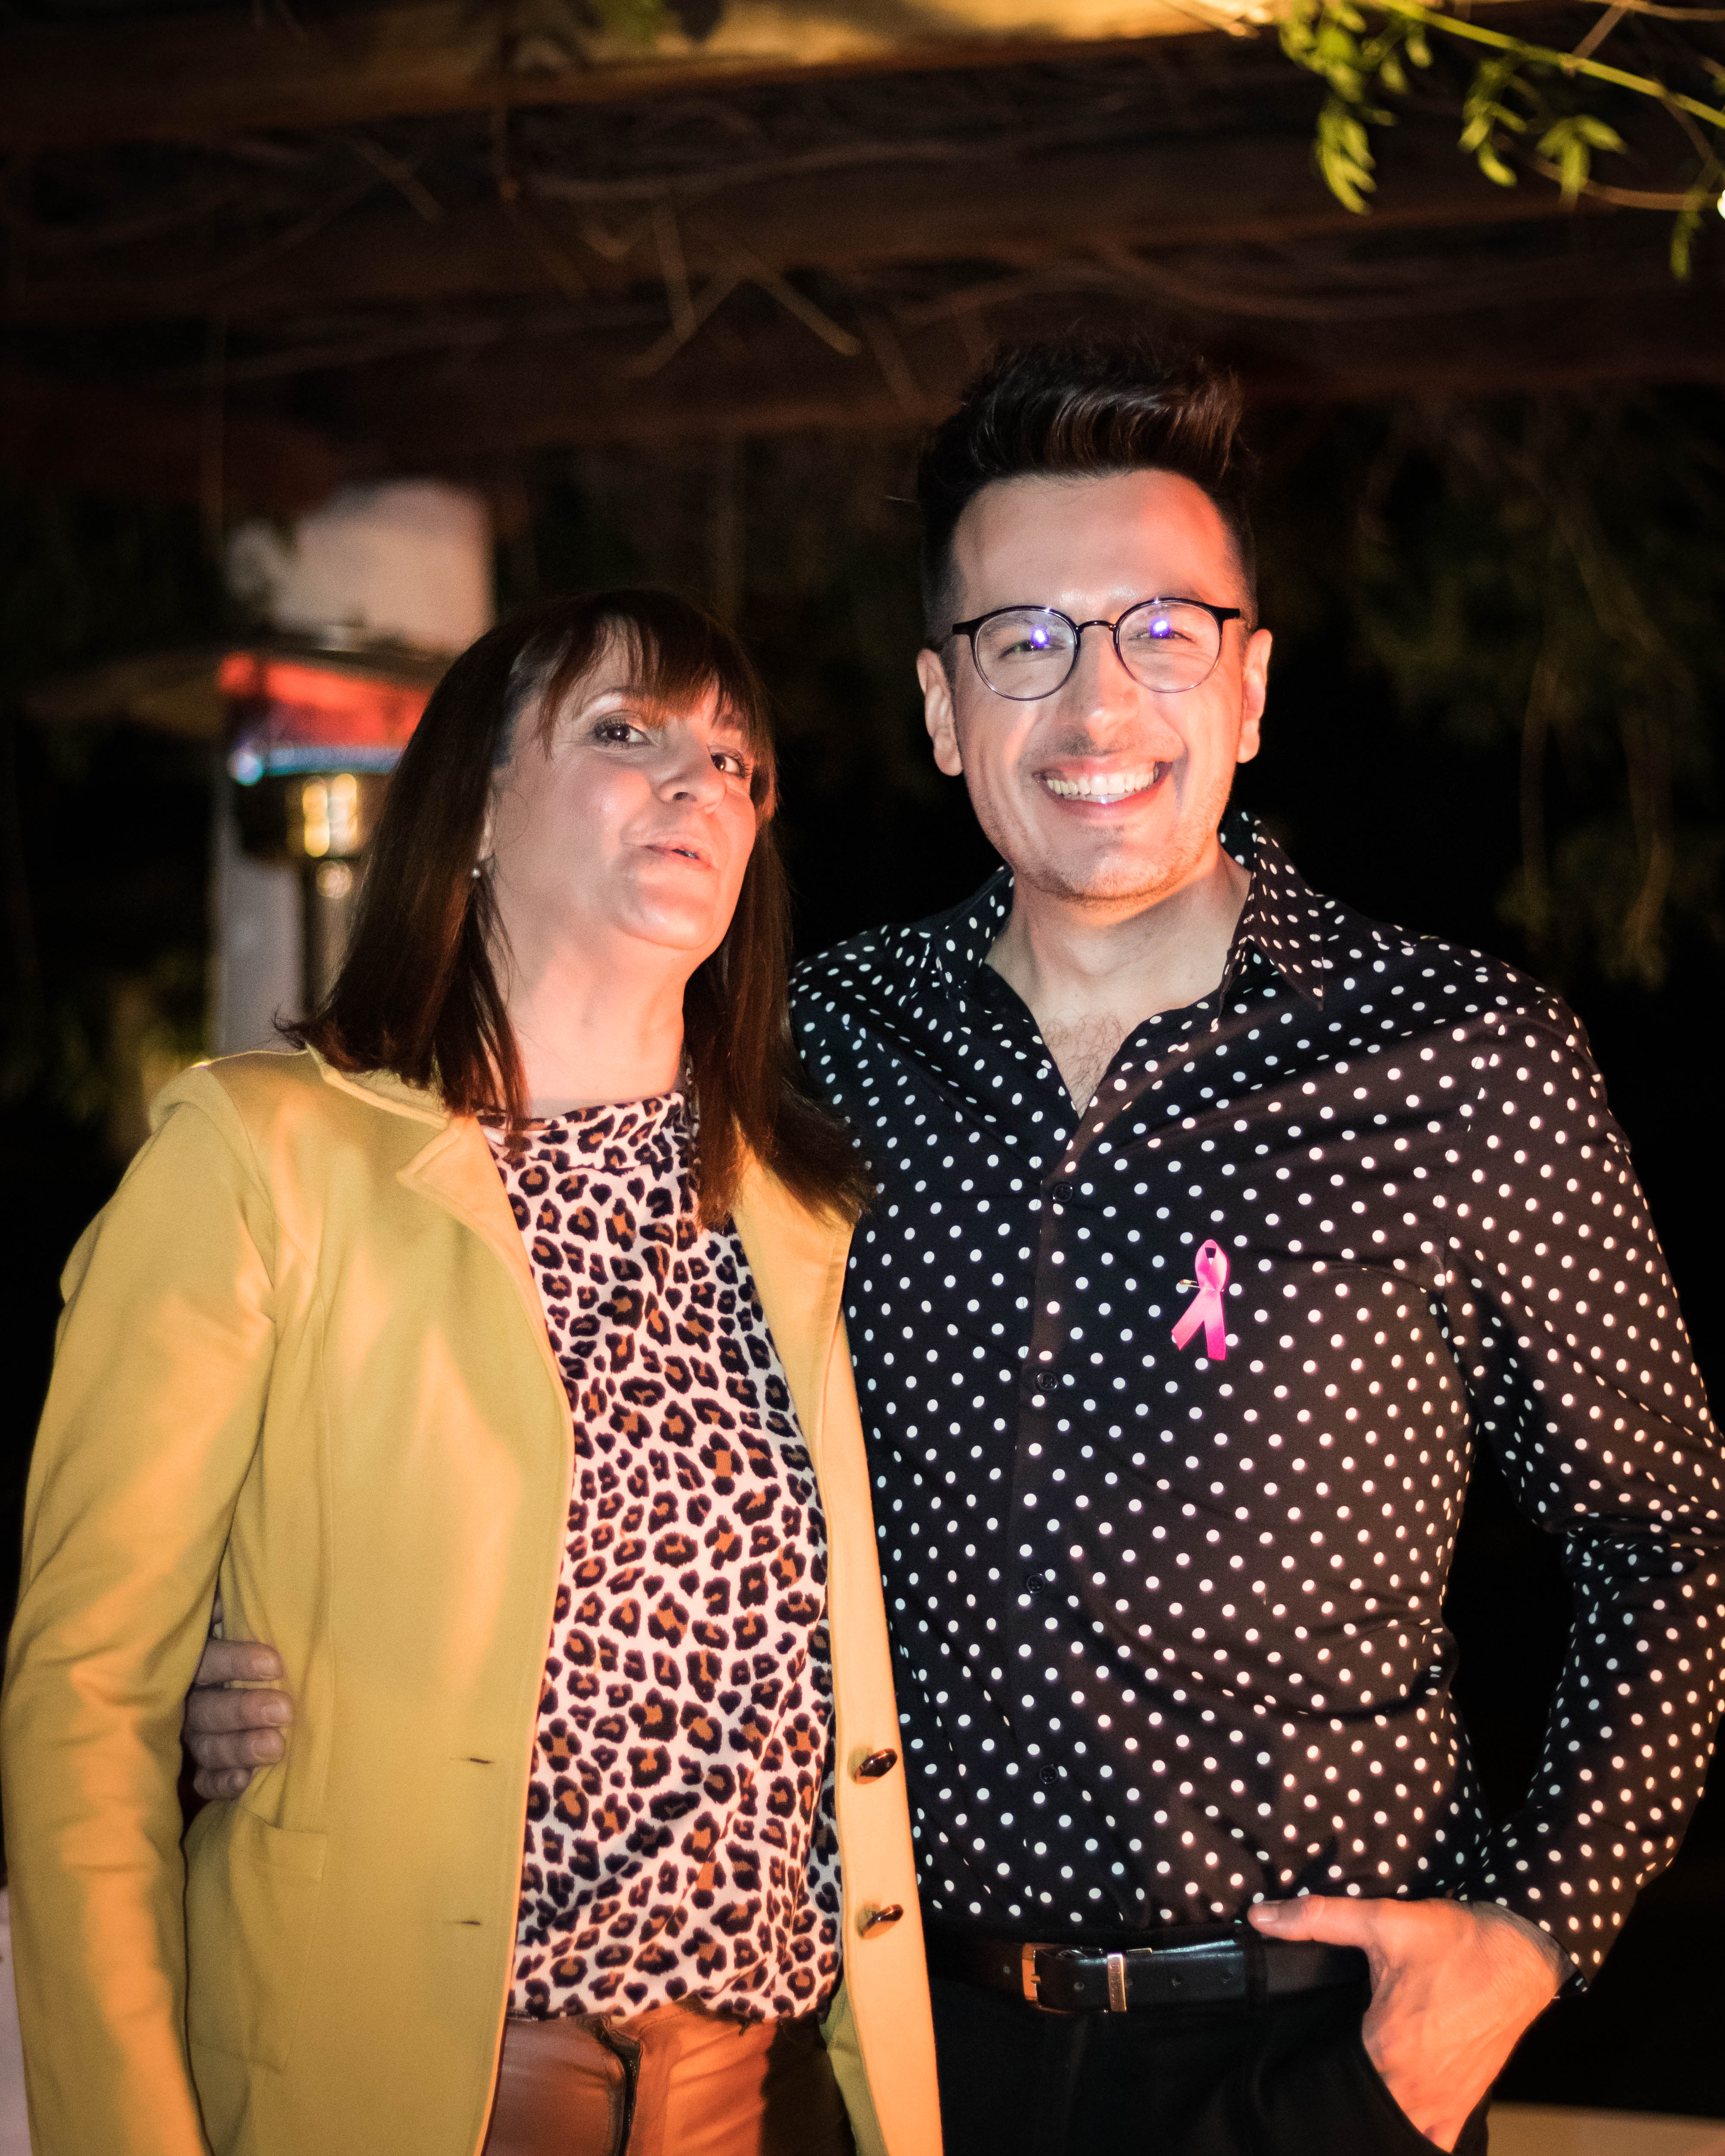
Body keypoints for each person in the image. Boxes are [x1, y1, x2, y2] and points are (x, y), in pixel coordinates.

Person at [188, 339, 1724, 2156]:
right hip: (888, 2054)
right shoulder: (799, 1052)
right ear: (941, 705)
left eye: (1163, 631)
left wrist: (1535, 1937)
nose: (1096, 702)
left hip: (1311, 2052)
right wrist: (281, 1628)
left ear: (1249, 687)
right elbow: (563, 1401)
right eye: (1025, 639)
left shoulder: (1460, 1059)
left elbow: (1665, 1541)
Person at [2, 590, 940, 2156]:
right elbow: (86, 1699)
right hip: (413, 2095)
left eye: (735, 763)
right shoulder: (263, 1160)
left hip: (762, 2094)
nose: (699, 783)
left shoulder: (800, 1222)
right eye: (627, 733)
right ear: (479, 809)